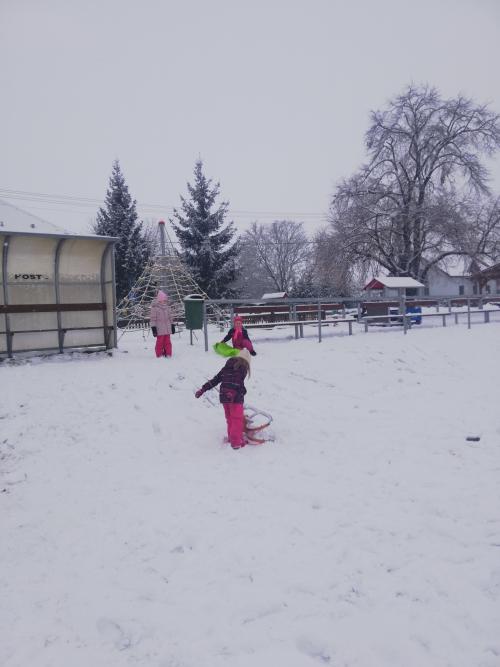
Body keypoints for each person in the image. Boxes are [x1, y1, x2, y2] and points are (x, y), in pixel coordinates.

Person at [195, 348, 252, 449]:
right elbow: (237, 382)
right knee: (237, 419)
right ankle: (236, 443)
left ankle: (231, 438)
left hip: (224, 396)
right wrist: (238, 392)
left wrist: (203, 389)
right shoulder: (242, 367)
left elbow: (216, 379)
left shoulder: (227, 366)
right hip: (235, 397)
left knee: (230, 418)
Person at [150, 290, 174, 358]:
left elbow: (170, 317)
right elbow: (153, 319)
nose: (165, 302)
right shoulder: (155, 308)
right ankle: (159, 355)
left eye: (165, 300)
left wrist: (172, 325)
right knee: (160, 343)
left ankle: (168, 354)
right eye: (163, 300)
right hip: (159, 329)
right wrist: (153, 328)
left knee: (168, 342)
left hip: (167, 329)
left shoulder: (167, 308)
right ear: (159, 300)